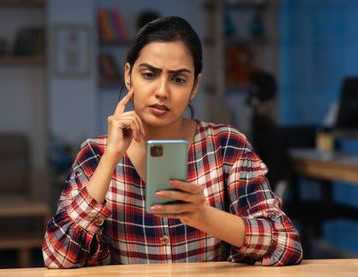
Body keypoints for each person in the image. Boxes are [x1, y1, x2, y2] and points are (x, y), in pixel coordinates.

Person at [43, 16, 303, 268]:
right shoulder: (95, 154)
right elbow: (58, 257)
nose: (162, 92)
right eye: (149, 74)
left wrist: (203, 216)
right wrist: (111, 157)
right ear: (128, 75)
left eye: (178, 79)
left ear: (194, 86)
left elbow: (285, 244)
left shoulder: (226, 146)